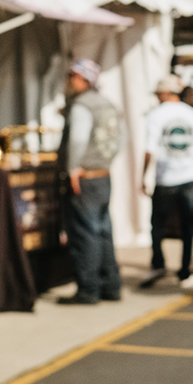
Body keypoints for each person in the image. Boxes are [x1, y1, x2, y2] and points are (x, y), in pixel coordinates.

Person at [58, 59, 123, 305]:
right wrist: (106, 160)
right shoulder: (108, 104)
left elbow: (77, 140)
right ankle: (111, 285)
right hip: (103, 174)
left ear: (82, 79)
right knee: (104, 230)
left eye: (72, 76)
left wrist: (73, 168)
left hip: (85, 176)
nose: (69, 81)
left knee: (86, 233)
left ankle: (89, 288)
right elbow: (121, 138)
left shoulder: (83, 105)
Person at [140, 76, 193, 291]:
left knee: (158, 224)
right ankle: (185, 271)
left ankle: (158, 264)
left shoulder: (155, 115)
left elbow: (149, 150)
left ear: (165, 92)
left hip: (165, 178)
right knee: (188, 226)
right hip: (189, 177)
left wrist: (144, 176)